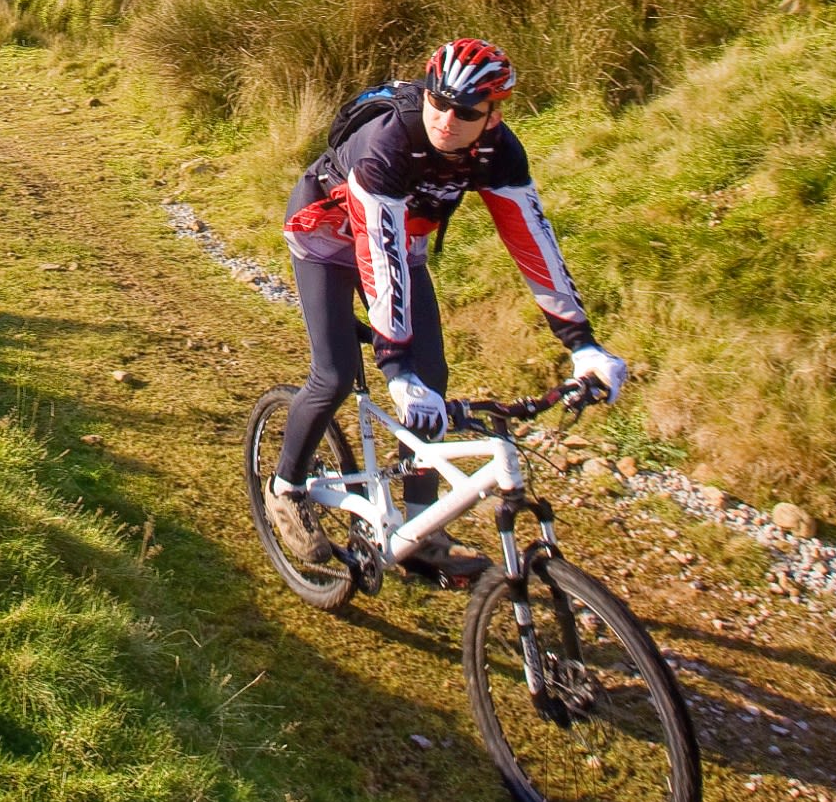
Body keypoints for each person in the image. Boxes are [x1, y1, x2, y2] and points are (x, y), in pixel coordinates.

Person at [268, 38, 628, 583]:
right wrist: (394, 366)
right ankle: (286, 489)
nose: (445, 119)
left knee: (432, 378)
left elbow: (531, 240)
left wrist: (582, 343)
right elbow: (377, 251)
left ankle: (420, 530)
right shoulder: (390, 142)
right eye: (437, 101)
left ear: (493, 114)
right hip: (328, 229)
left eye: (464, 111)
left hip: (398, 235)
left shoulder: (499, 152)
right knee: (337, 373)